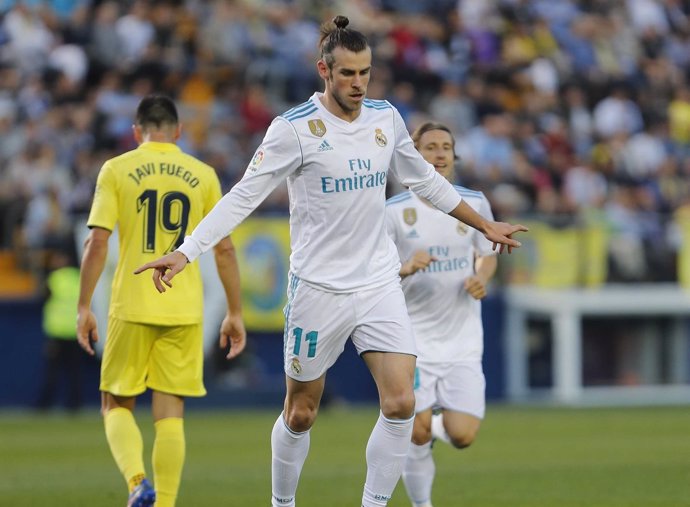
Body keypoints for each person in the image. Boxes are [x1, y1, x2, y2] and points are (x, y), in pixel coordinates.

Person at [134, 16, 526, 507]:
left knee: (402, 402)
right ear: (324, 70)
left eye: (365, 73)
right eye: (347, 74)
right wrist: (187, 252)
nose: (358, 83)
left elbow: (424, 180)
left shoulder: (385, 119)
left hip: (379, 282)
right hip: (318, 289)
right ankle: (283, 503)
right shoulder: (293, 130)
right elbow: (243, 197)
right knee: (301, 412)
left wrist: (484, 224)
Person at [76, 95, 246, 507]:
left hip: (131, 304)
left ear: (137, 132)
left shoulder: (117, 168)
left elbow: (98, 241)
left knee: (115, 402)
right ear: (179, 131)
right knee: (170, 411)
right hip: (184, 307)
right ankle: (165, 503)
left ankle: (137, 483)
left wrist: (83, 306)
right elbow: (223, 249)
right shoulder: (202, 174)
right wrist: (235, 312)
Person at [385, 122, 497, 507]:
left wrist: (481, 277)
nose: (439, 153)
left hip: (463, 342)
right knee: (414, 432)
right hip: (413, 342)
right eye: (430, 146)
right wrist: (404, 267)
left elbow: (488, 253)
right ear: (413, 154)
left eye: (446, 146)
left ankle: (425, 428)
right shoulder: (394, 211)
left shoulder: (475, 203)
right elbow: (373, 270)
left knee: (463, 435)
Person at [36, 249, 85, 412]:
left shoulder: (53, 278)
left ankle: (44, 405)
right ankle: (75, 405)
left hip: (57, 332)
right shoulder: (80, 278)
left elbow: (42, 296)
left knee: (52, 372)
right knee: (74, 372)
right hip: (75, 331)